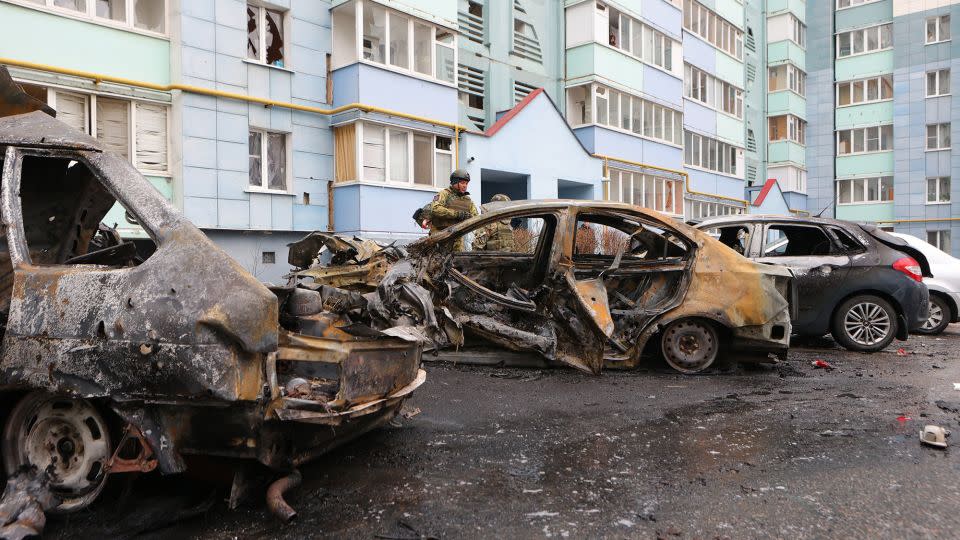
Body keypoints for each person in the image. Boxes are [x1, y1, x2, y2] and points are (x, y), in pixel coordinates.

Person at [428, 169, 478, 250]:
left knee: (456, 260)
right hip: (440, 235)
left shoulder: (468, 200)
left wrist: (469, 217)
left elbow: (476, 217)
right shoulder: (444, 194)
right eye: (462, 183)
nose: (465, 185)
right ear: (455, 182)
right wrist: (456, 214)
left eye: (466, 183)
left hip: (458, 238)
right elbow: (435, 208)